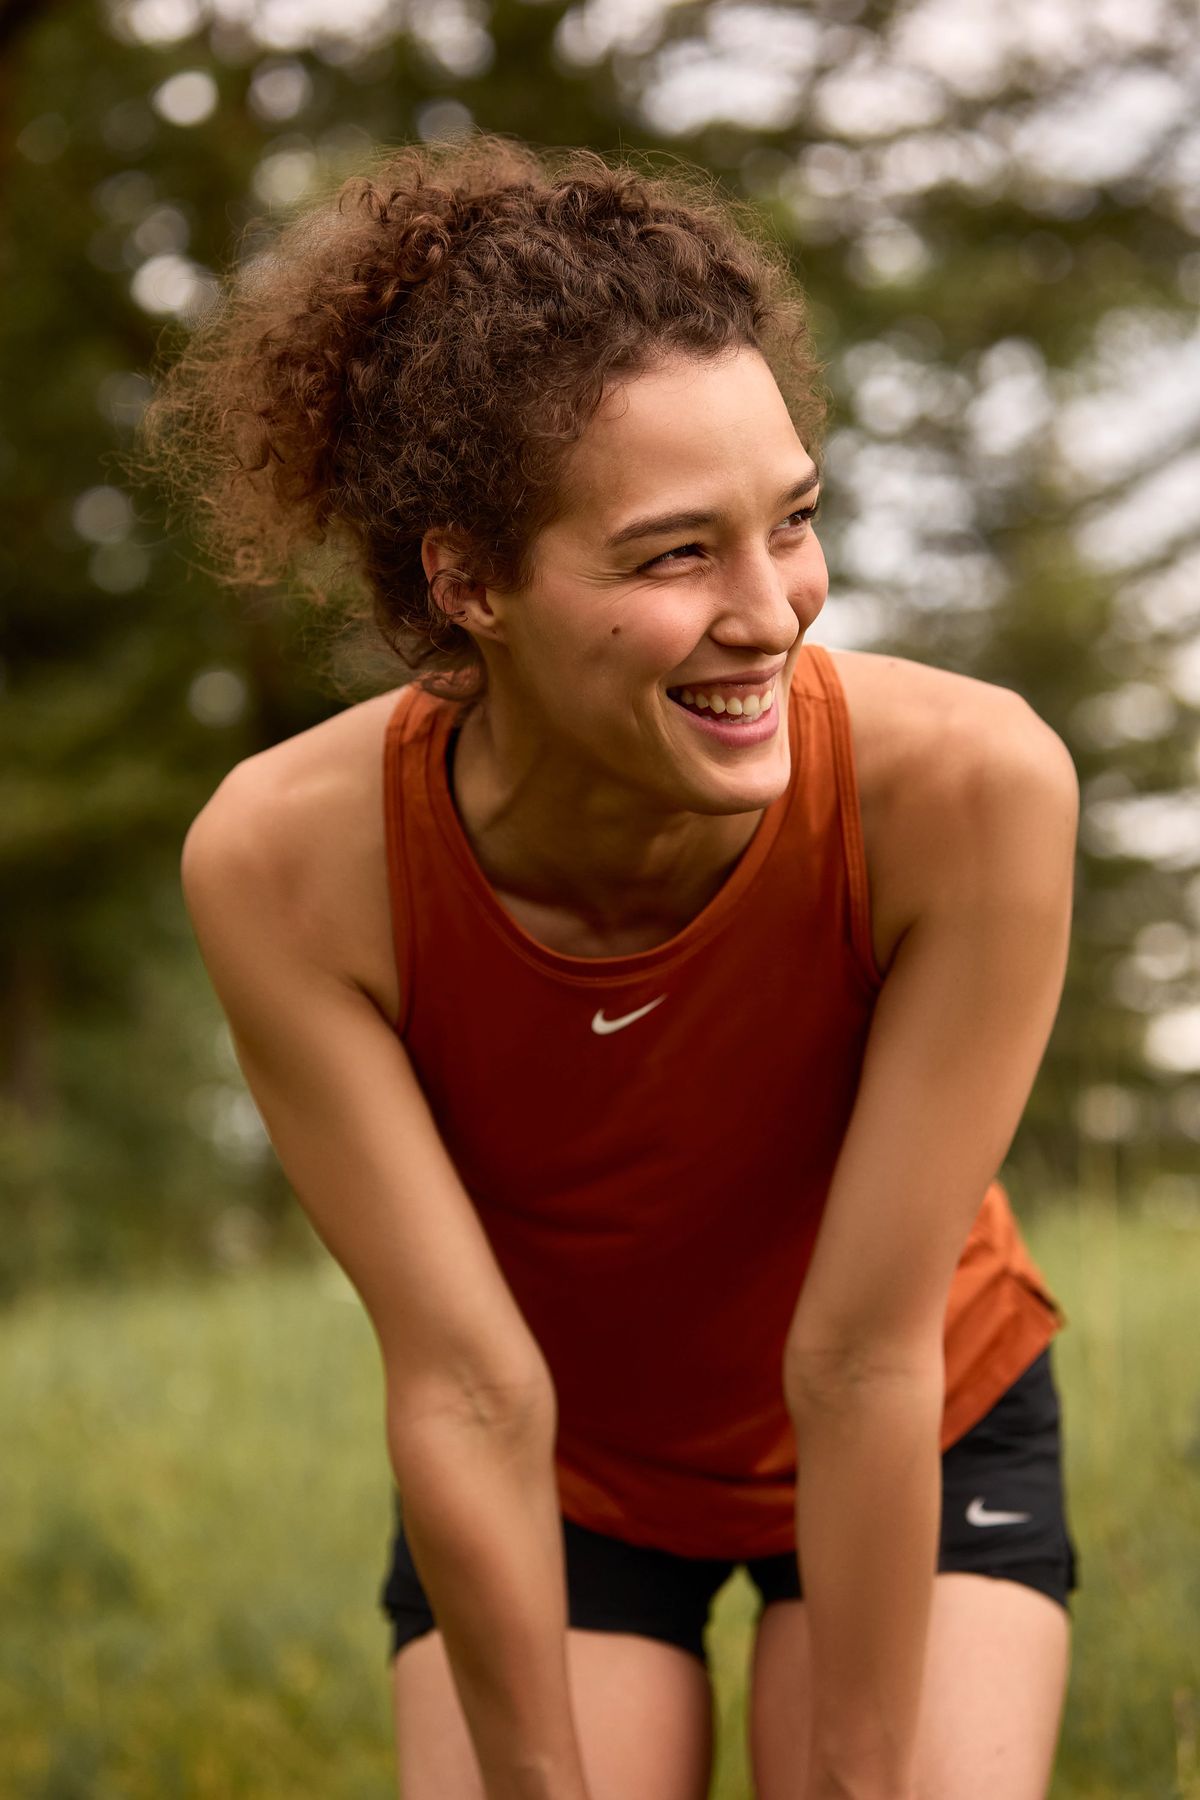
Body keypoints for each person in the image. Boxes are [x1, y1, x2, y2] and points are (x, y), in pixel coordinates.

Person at [148, 135, 1081, 1800]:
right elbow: (465, 1383)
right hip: (557, 1458)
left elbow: (860, 1358)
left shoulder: (971, 790)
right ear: (469, 580)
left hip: (910, 1414)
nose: (772, 609)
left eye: (790, 522)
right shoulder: (292, 865)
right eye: (672, 555)